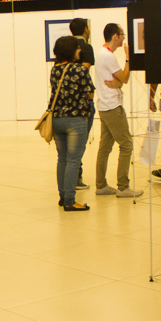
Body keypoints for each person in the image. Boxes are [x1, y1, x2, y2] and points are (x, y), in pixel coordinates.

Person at [94, 23, 143, 198]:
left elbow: (119, 81)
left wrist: (119, 82)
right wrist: (128, 58)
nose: (123, 39)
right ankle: (123, 187)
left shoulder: (102, 54)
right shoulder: (108, 56)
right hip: (112, 107)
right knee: (126, 144)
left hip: (104, 106)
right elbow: (125, 77)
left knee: (105, 147)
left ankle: (101, 185)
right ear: (115, 36)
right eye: (122, 35)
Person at [49, 35, 95, 211]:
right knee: (74, 160)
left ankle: (63, 197)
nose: (79, 50)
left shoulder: (55, 70)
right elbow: (90, 93)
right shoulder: (80, 70)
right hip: (75, 120)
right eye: (77, 48)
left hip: (57, 119)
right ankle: (70, 200)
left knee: (62, 159)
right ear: (71, 50)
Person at [69, 17, 96, 191]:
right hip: (84, 100)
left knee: (69, 145)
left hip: (68, 101)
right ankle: (76, 178)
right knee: (80, 142)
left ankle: (71, 178)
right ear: (86, 29)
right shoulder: (86, 47)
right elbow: (84, 71)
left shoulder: (66, 46)